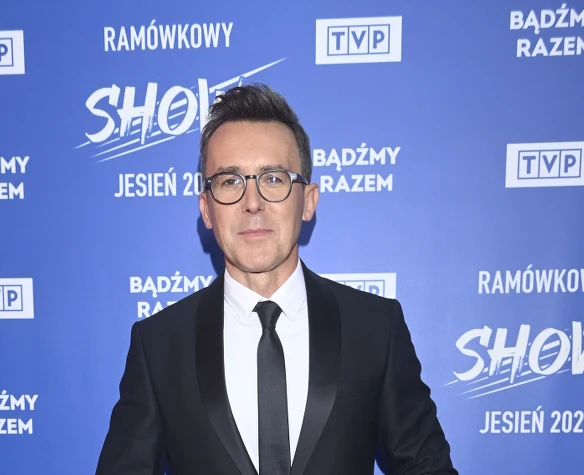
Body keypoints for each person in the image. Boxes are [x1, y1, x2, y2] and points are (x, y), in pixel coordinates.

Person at [95, 83, 457, 475]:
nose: (252, 203)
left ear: (309, 201)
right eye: (230, 181)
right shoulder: (159, 344)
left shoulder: (374, 328)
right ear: (207, 209)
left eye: (273, 179)